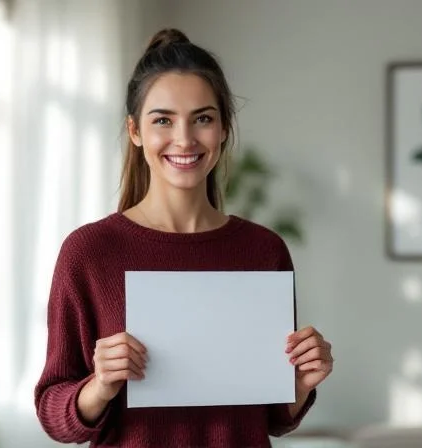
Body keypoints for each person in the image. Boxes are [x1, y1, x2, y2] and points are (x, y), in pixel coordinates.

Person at [34, 28, 334, 447]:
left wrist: (299, 383)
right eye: (163, 120)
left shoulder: (264, 251)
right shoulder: (89, 252)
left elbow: (271, 418)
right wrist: (100, 385)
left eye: (203, 119)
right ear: (135, 130)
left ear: (224, 128)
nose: (185, 139)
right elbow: (54, 414)